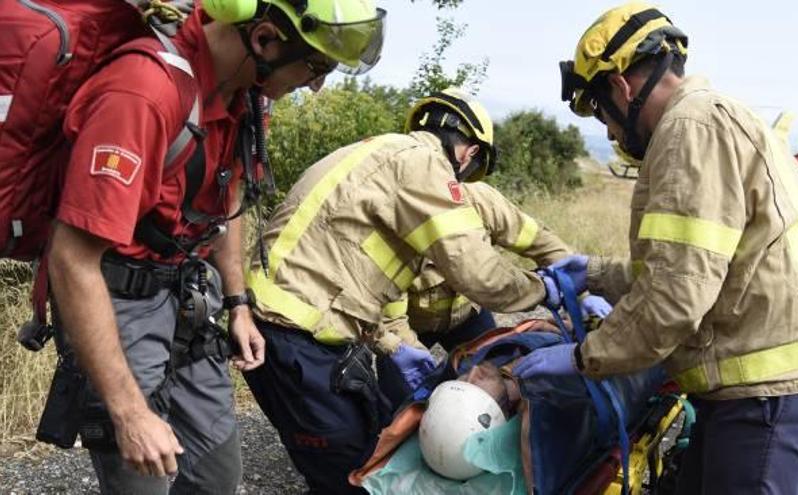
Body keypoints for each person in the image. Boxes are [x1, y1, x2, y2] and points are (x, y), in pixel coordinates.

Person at [514, 3, 798, 494]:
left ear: (620, 87)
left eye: (601, 113)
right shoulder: (714, 114)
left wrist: (583, 359)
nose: (610, 132)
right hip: (776, 374)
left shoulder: (688, 131)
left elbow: (674, 300)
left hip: (771, 390)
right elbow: (684, 269)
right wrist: (592, 272)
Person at [45, 1, 386, 493]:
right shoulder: (143, 91)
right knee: (143, 478)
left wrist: (238, 303)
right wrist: (129, 413)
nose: (317, 85)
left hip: (188, 295)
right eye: (314, 66)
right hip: (117, 299)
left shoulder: (246, 95)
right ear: (265, 39)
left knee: (216, 478)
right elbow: (71, 259)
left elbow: (226, 199)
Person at [242, 87, 552, 493]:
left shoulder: (381, 155)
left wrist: (391, 346)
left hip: (294, 331)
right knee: (351, 468)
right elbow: (478, 274)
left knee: (364, 446)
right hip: (294, 338)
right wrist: (551, 288)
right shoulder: (422, 167)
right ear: (468, 152)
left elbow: (368, 278)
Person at [380, 181, 574, 353]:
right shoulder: (394, 220)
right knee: (400, 387)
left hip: (468, 316)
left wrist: (579, 293)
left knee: (494, 369)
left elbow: (542, 242)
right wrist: (406, 351)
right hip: (409, 324)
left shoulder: (481, 201)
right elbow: (391, 315)